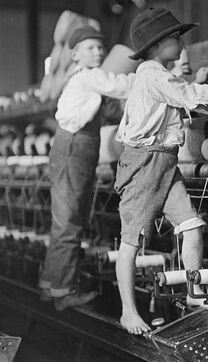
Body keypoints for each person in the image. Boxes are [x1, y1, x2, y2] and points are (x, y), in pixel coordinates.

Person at [114, 7, 208, 335]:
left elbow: (189, 98)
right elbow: (191, 96)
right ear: (154, 46)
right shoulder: (153, 74)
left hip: (165, 161)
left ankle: (194, 293)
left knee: (192, 227)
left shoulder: (159, 75)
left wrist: (206, 86)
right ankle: (127, 311)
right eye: (175, 37)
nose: (181, 42)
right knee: (132, 240)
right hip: (144, 163)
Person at [39, 26, 135, 311]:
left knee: (66, 220)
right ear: (74, 54)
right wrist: (152, 75)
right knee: (70, 221)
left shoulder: (82, 79)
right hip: (75, 149)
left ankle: (51, 284)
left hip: (71, 147)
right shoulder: (90, 76)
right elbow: (121, 85)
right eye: (91, 48)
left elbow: (109, 106)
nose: (98, 52)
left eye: (100, 47)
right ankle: (64, 292)